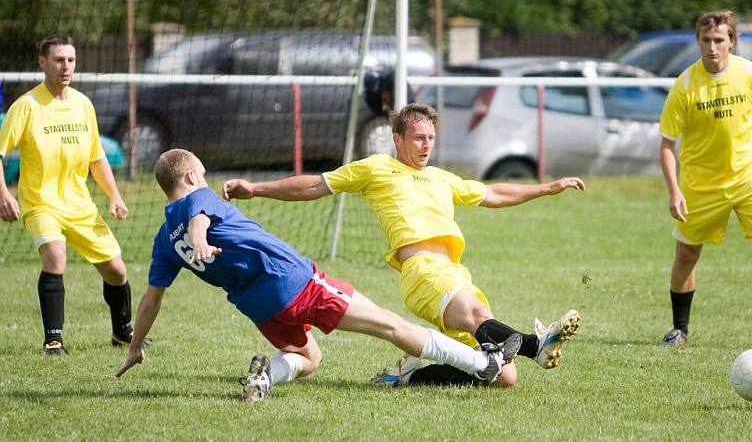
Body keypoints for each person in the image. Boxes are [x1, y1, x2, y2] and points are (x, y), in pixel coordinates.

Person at [222, 103, 585, 387]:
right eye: (418, 138)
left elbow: (493, 192)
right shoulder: (377, 167)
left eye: (431, 138)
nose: (426, 145)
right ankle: (536, 346)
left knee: (504, 377)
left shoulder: (442, 178)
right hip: (423, 271)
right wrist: (256, 189)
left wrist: (547, 188)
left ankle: (410, 375)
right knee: (477, 316)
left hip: (454, 273)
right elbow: (317, 184)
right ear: (397, 138)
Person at [115, 149, 520, 400]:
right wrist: (201, 239)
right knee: (391, 325)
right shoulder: (198, 199)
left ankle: (264, 379)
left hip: (260, 306)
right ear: (189, 177)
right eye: (201, 174)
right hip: (294, 281)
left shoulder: (162, 241)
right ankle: (480, 363)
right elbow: (199, 218)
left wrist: (135, 346)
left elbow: (151, 298)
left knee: (308, 357)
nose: (204, 181)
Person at [659, 9, 752, 350]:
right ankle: (679, 330)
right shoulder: (685, 84)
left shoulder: (750, 74)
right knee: (687, 254)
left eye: (719, 40)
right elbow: (666, 143)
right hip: (700, 183)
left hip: (748, 176)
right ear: (698, 41)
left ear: (732, 42)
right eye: (706, 40)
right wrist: (674, 189)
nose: (712, 47)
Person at [0, 34, 135, 355]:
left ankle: (122, 333)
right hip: (40, 203)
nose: (66, 67)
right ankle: (53, 340)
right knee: (55, 255)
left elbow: (96, 157)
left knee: (117, 271)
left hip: (79, 205)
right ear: (42, 63)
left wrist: (115, 196)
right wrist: (4, 193)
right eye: (59, 60)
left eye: (71, 60)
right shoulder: (26, 106)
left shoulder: (82, 104)